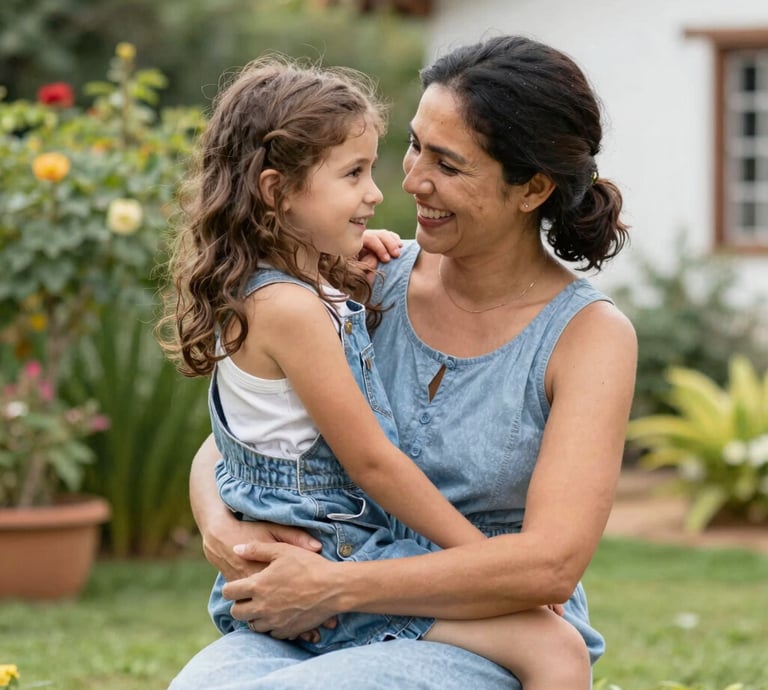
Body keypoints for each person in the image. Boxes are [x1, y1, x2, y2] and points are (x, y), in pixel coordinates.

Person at [168, 34, 637, 690]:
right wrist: (221, 530)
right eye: (415, 145)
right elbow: (240, 441)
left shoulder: (587, 337)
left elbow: (549, 569)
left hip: (484, 623)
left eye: (447, 163)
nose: (410, 180)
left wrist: (338, 588)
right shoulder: (364, 278)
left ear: (531, 188)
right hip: (311, 605)